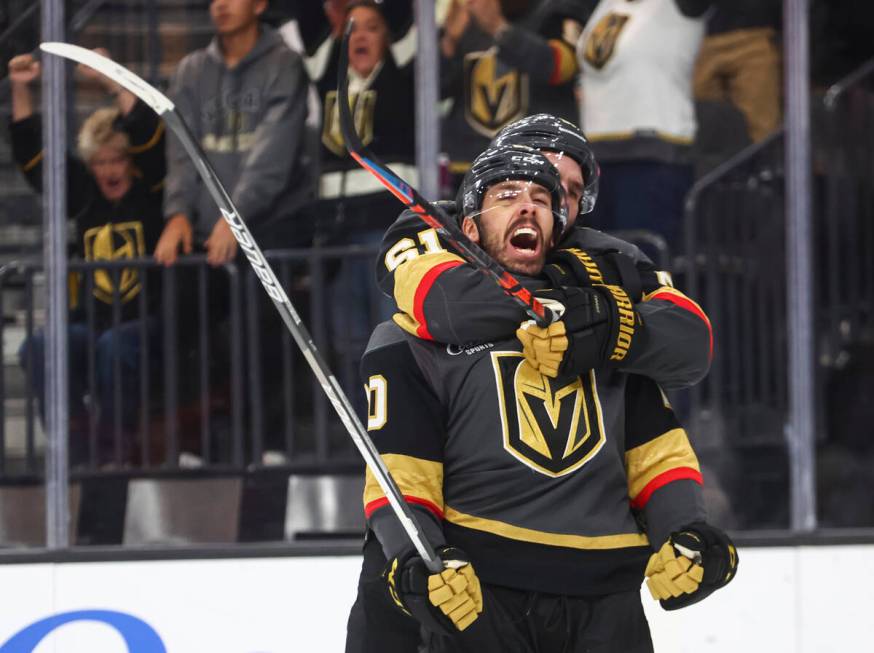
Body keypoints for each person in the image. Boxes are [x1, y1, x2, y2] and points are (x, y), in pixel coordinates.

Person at [350, 144, 737, 651]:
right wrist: (414, 559)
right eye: (507, 195)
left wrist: (687, 530)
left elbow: (657, 453)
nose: (528, 205)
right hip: (484, 587)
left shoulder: (606, 322)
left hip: (607, 597)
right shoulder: (411, 339)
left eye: (545, 196)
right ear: (469, 227)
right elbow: (402, 480)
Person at [377, 114, 713, 392]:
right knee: (388, 341)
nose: (561, 199)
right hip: (458, 428)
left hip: (588, 445)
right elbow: (447, 305)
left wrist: (615, 330)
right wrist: (580, 301)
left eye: (573, 190)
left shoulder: (610, 250)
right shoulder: (433, 222)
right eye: (545, 176)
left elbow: (694, 344)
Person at [8, 50, 166, 466]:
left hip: (150, 319)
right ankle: (74, 451)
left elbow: (148, 134)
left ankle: (115, 451)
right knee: (40, 346)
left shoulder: (153, 192)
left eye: (117, 160)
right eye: (100, 162)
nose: (110, 170)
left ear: (130, 163)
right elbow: (35, 161)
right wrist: (22, 89)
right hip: (94, 319)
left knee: (116, 347)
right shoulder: (85, 196)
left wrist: (113, 79)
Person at [311, 0, 417, 415]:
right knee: (347, 338)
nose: (361, 36)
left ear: (388, 37)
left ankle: (400, 424)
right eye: (353, 28)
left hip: (386, 229)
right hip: (336, 232)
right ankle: (359, 429)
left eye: (372, 28)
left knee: (390, 332)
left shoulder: (403, 75)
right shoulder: (326, 79)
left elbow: (406, 14)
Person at [154, 0, 314, 268]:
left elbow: (272, 159)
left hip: (271, 238)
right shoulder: (190, 71)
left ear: (260, 5)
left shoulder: (284, 63)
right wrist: (177, 214)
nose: (222, 5)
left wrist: (234, 218)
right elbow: (181, 155)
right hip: (206, 240)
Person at [577, 0, 713, 255]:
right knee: (602, 272)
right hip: (596, 161)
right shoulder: (606, 4)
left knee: (642, 270)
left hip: (652, 159)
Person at [440, 0, 582, 183]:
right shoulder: (467, 17)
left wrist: (500, 29)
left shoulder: (559, 10)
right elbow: (433, 92)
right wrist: (449, 43)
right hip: (470, 165)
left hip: (539, 164)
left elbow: (561, 68)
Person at [693, 0, 782, 143]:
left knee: (762, 132)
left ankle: (762, 163)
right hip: (696, 35)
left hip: (756, 31)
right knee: (697, 128)